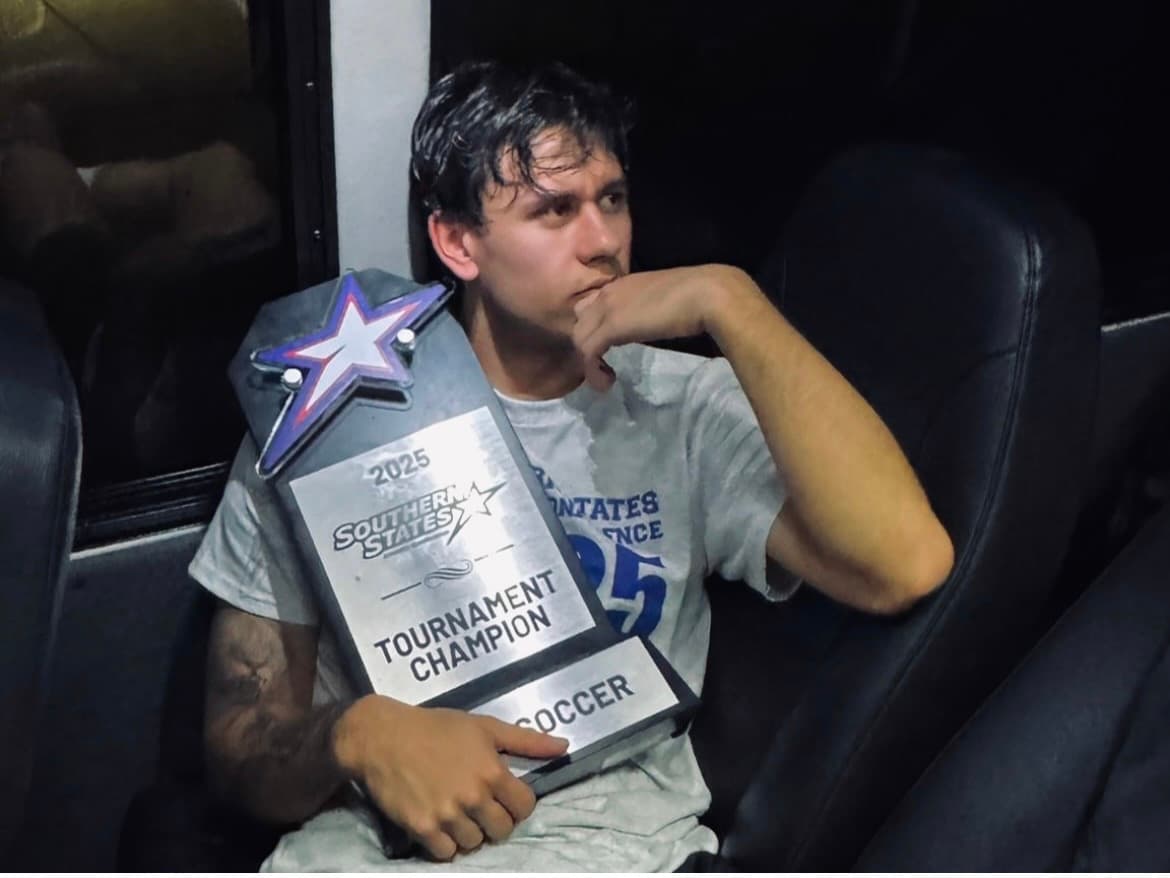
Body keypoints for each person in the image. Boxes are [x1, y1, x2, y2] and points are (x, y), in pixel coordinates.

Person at [189, 60, 955, 872]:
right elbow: (240, 747)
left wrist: (731, 302)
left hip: (605, 841)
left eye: (613, 200)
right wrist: (358, 734)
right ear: (457, 241)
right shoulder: (331, 418)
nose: (603, 244)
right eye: (553, 210)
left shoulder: (682, 406)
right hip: (367, 846)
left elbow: (903, 564)